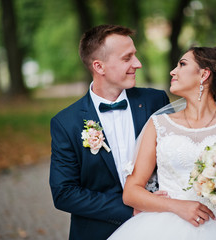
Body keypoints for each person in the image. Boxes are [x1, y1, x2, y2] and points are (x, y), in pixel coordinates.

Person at [108, 46, 216, 239]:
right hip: (164, 226)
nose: (172, 71)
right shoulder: (158, 125)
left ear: (204, 74)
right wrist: (176, 206)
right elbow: (131, 192)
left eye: (182, 64)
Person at [49, 24, 170, 240]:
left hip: (160, 225)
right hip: (99, 232)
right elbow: (64, 193)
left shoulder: (155, 102)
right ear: (99, 66)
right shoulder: (67, 123)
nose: (138, 64)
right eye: (127, 58)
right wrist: (130, 209)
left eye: (136, 55)